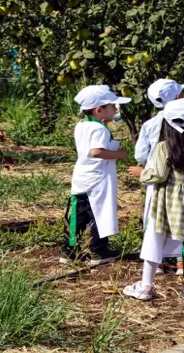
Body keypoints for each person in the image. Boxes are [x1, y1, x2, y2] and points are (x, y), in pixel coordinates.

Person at [123, 99, 184, 301]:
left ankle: (146, 286)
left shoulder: (165, 147)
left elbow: (157, 175)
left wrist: (142, 173)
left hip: (168, 199)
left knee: (154, 240)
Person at [62, 85, 131, 266]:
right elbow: (95, 151)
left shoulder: (82, 125)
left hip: (82, 176)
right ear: (99, 110)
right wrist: (119, 155)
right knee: (99, 213)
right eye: (112, 106)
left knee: (78, 214)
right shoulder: (100, 129)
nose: (116, 109)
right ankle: (98, 251)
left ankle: (68, 250)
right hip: (98, 178)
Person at [132, 79, 184, 274]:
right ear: (177, 97)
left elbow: (140, 155)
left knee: (155, 219)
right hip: (181, 179)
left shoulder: (149, 124)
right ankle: (183, 261)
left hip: (154, 180)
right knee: (181, 217)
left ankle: (157, 262)